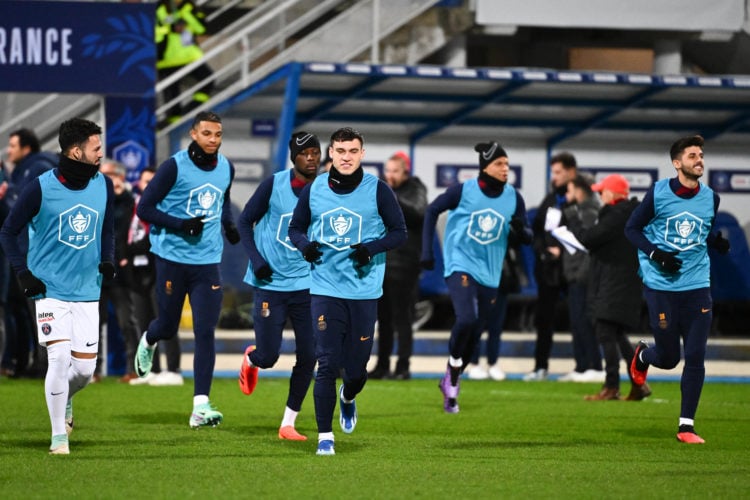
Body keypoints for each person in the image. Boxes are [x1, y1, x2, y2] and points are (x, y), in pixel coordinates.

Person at [288, 127, 406, 456]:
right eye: (340, 151)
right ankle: (325, 437)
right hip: (325, 288)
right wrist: (305, 246)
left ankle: (349, 397)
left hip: (365, 290)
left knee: (355, 371)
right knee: (326, 362)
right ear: (331, 154)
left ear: (362, 154)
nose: (346, 157)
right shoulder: (314, 190)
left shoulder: (378, 191)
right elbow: (295, 228)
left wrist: (371, 248)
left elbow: (399, 233)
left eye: (352, 151)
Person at [0, 118, 115, 454]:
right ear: (77, 151)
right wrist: (23, 272)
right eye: (96, 148)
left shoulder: (103, 185)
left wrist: (107, 259)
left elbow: (107, 230)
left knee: (82, 371)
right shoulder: (40, 187)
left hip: (87, 290)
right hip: (48, 289)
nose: (101, 153)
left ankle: (66, 402)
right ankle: (58, 437)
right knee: (59, 358)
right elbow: (8, 231)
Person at [133, 111, 240, 428]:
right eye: (207, 134)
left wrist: (229, 225)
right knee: (167, 327)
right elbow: (144, 208)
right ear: (194, 134)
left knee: (205, 331)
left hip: (207, 262)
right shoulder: (174, 167)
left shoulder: (226, 167)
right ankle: (150, 340)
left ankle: (200, 407)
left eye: (218, 134)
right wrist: (181, 225)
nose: (213, 140)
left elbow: (222, 199)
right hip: (171, 258)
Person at [625, 135, 730, 443]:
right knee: (669, 358)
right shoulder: (657, 194)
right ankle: (644, 356)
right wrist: (656, 254)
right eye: (692, 155)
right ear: (677, 163)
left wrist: (717, 242)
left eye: (701, 155)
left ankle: (686, 426)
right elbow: (631, 229)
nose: (699, 160)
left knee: (695, 355)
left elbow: (704, 232)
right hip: (660, 286)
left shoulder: (711, 197)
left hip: (697, 285)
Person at [421, 141, 532, 413]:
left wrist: (520, 230)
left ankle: (451, 377)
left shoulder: (513, 198)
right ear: (485, 167)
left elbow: (526, 237)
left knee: (476, 332)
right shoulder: (463, 191)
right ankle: (454, 371)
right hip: (460, 264)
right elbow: (432, 210)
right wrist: (427, 251)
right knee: (466, 318)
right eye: (499, 164)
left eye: (507, 164)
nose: (505, 169)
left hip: (490, 273)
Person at [237, 131, 321, 441]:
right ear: (293, 157)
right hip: (270, 282)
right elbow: (245, 221)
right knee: (270, 356)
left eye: (315, 152)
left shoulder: (326, 190)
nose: (311, 157)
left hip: (308, 284)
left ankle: (288, 423)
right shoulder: (273, 185)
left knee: (310, 355)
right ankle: (252, 359)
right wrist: (256, 259)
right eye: (304, 153)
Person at [567, 174, 651, 401]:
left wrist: (573, 219)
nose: (600, 195)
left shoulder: (617, 216)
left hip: (616, 281)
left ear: (613, 194)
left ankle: (612, 386)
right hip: (621, 280)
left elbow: (589, 238)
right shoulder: (625, 214)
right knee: (616, 333)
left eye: (603, 191)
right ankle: (638, 383)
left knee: (605, 330)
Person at [1, 128, 56, 378]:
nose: (8, 150)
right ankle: (34, 360)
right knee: (28, 308)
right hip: (25, 250)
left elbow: (34, 206)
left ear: (26, 147)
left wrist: (7, 195)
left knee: (41, 309)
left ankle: (46, 363)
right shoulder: (24, 169)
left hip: (38, 252)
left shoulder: (38, 167)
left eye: (13, 145)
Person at [369, 151, 426, 380]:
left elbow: (418, 213)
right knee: (383, 318)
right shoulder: (381, 193)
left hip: (406, 264)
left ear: (405, 172)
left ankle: (403, 366)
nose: (390, 175)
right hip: (383, 262)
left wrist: (391, 196)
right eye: (388, 171)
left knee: (403, 318)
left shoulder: (416, 189)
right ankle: (382, 364)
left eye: (395, 171)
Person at [126, 166, 183, 386]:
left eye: (152, 181)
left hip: (159, 268)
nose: (148, 185)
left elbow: (155, 237)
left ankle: (173, 368)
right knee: (144, 320)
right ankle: (152, 369)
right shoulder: (136, 206)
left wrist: (133, 249)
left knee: (165, 319)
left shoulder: (164, 206)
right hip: (138, 272)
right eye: (145, 181)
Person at [524, 152, 578, 382]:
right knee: (544, 319)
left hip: (574, 270)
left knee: (580, 318)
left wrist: (563, 250)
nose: (554, 177)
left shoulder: (581, 199)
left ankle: (585, 366)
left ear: (571, 172)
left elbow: (585, 234)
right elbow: (536, 231)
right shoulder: (550, 200)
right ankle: (540, 366)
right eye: (553, 172)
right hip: (548, 271)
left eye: (559, 172)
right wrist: (544, 251)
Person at [97, 159, 141, 383]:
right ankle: (93, 371)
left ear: (120, 177)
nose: (103, 178)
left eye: (108, 174)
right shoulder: (98, 199)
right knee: (94, 323)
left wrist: (121, 195)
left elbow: (126, 229)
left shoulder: (131, 202)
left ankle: (132, 369)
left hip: (122, 275)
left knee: (127, 322)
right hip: (98, 271)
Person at [557, 174, 603, 383]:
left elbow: (588, 247)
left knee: (584, 321)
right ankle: (582, 366)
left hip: (583, 276)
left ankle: (593, 365)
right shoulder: (582, 211)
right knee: (577, 321)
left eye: (570, 190)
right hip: (576, 274)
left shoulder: (589, 211)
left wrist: (579, 275)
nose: (567, 195)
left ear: (578, 190)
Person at [156, 0, 214, 125]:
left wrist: (186, 17)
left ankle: (190, 109)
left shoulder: (189, 7)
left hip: (189, 57)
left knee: (208, 79)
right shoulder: (158, 8)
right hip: (167, 59)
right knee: (172, 97)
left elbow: (201, 28)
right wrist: (171, 27)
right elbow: (153, 31)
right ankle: (172, 124)